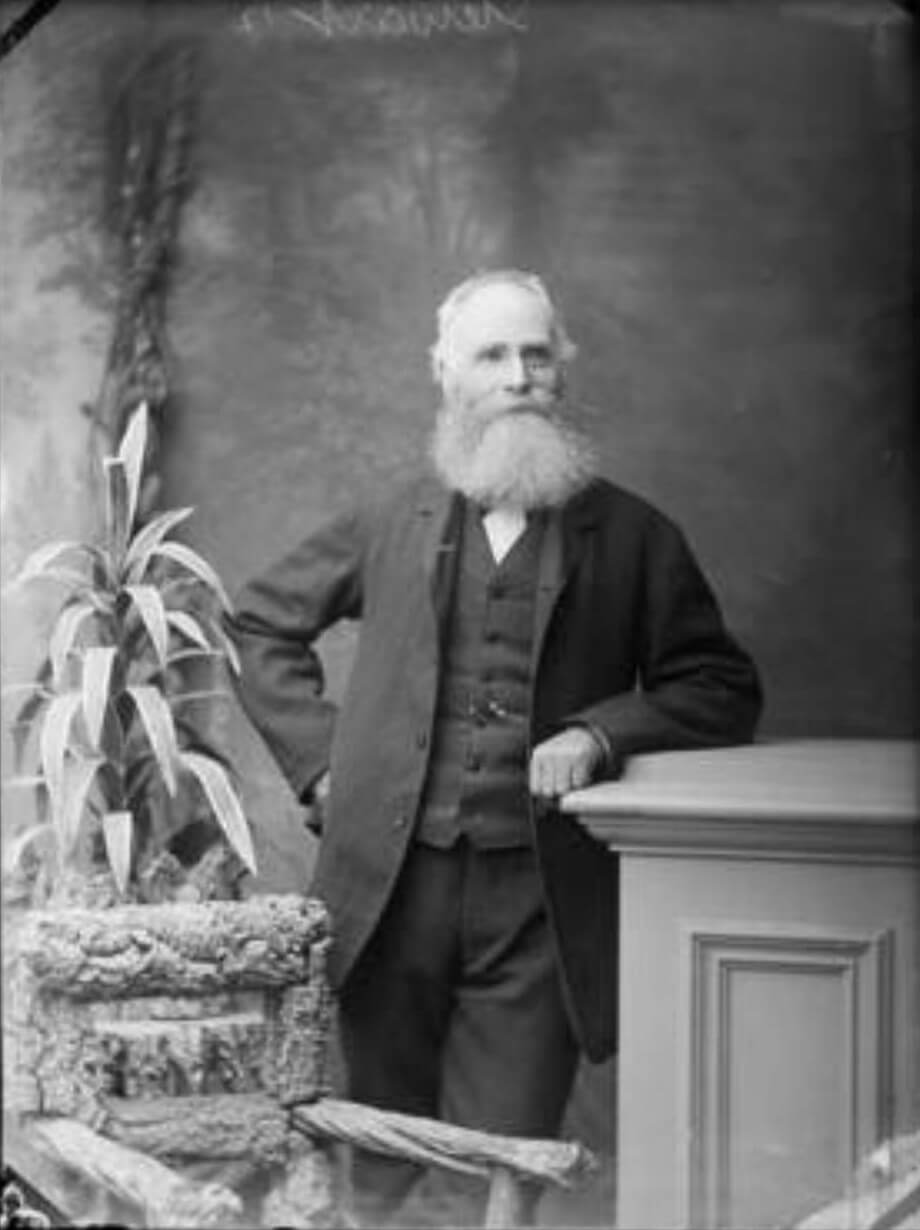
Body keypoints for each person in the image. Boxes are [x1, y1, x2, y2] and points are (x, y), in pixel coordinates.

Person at [225, 269, 763, 1227]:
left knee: (497, 1166)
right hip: (387, 893)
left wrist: (602, 733)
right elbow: (258, 625)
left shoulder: (634, 536)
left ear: (562, 370)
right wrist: (320, 767)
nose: (517, 375)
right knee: (375, 1152)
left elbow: (719, 686)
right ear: (446, 373)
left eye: (536, 354)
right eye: (491, 355)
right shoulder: (391, 519)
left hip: (539, 910)